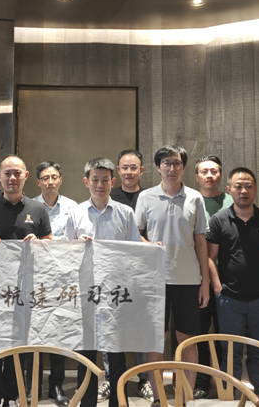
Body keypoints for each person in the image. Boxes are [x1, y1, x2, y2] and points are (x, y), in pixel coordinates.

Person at [134, 145, 210, 406]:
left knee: (188, 342)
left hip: (188, 280)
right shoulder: (145, 197)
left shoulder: (195, 198)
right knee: (156, 342)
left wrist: (205, 282)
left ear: (183, 167)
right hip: (154, 281)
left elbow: (201, 241)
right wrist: (147, 244)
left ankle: (184, 398)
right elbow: (136, 234)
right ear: (158, 167)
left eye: (176, 163)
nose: (171, 168)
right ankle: (158, 398)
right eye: (166, 163)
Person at [0, 156, 52, 407]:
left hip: (26, 291)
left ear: (26, 176)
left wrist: (38, 243)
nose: (12, 178)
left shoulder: (38, 209)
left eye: (17, 173)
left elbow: (50, 245)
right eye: (7, 173)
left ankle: (14, 396)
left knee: (20, 346)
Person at [65, 158, 140, 407]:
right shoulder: (75, 212)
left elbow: (134, 252)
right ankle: (86, 403)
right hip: (85, 292)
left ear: (112, 181)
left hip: (116, 291)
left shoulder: (125, 213)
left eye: (105, 180)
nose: (99, 184)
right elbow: (64, 253)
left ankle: (118, 402)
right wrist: (77, 246)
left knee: (116, 353)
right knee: (86, 353)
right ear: (86, 182)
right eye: (95, 179)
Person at [206, 167, 259, 398]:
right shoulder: (219, 220)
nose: (243, 191)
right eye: (238, 186)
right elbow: (210, 259)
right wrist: (218, 290)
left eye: (248, 186)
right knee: (230, 354)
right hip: (229, 299)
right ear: (229, 189)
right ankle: (229, 399)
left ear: (255, 189)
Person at [28, 161, 77, 407]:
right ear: (38, 182)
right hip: (35, 277)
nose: (50, 182)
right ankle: (33, 385)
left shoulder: (72, 207)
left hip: (63, 278)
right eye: (45, 178)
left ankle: (57, 385)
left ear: (60, 180)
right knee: (34, 333)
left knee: (59, 332)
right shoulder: (30, 206)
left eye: (54, 177)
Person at [105, 149, 152, 403]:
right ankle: (110, 377)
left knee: (141, 326)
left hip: (142, 274)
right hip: (112, 275)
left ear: (141, 170)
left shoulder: (149, 197)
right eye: (124, 167)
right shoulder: (108, 196)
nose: (129, 172)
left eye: (134, 167)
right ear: (118, 171)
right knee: (110, 327)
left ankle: (144, 379)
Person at [192, 155, 232, 400]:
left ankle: (227, 382)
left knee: (226, 333)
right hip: (194, 278)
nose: (209, 175)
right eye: (204, 171)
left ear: (221, 175)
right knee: (199, 333)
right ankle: (201, 382)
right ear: (196, 176)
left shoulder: (232, 200)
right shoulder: (190, 200)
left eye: (214, 171)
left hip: (229, 279)